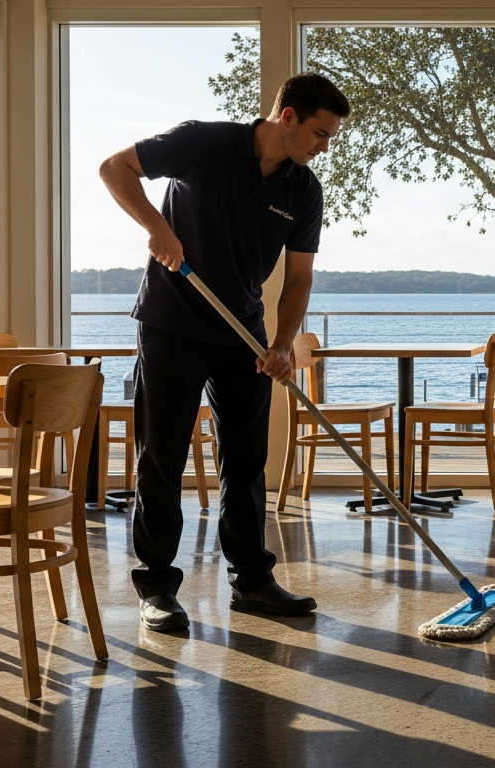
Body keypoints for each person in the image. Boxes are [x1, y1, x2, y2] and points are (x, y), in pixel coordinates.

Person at [99, 73, 350, 631]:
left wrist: (282, 344)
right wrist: (157, 227)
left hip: (244, 333)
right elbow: (114, 168)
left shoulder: (303, 190)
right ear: (287, 117)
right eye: (318, 132)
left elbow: (299, 278)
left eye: (330, 137)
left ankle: (252, 581)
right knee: (161, 457)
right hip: (172, 323)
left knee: (245, 459)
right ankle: (157, 588)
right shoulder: (203, 142)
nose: (323, 146)